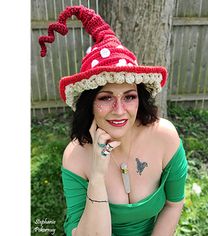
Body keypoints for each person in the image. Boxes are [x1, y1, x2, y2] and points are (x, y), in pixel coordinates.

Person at [39, 5, 188, 236]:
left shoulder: (164, 137)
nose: (119, 110)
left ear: (140, 99)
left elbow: (174, 204)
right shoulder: (76, 157)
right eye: (106, 97)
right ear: (89, 103)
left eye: (129, 97)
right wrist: (97, 175)